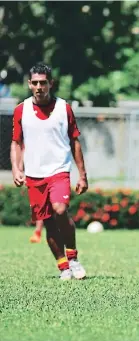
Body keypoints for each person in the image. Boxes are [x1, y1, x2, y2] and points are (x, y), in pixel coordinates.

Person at [11, 62, 88, 280]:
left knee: (60, 210)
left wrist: (82, 175)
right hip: (34, 175)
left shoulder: (64, 108)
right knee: (47, 221)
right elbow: (16, 143)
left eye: (43, 83)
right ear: (29, 84)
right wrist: (17, 168)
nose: (38, 87)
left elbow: (75, 142)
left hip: (59, 170)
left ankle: (73, 257)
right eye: (34, 83)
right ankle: (63, 267)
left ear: (50, 84)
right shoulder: (21, 110)